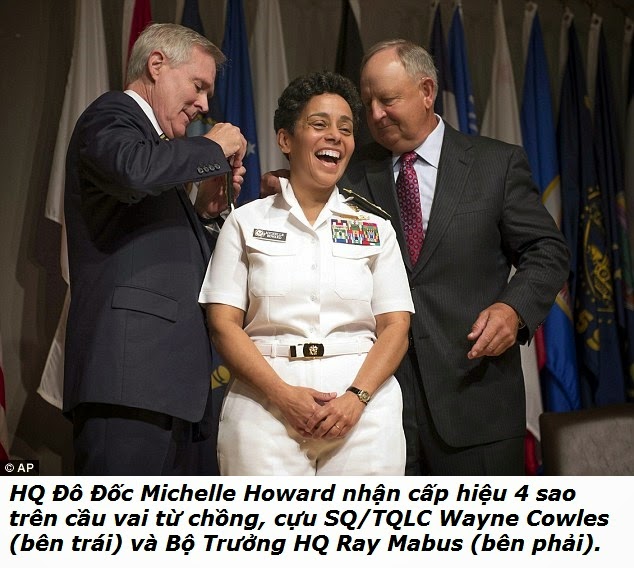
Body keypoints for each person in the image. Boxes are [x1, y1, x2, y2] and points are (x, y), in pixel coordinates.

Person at [263, 40, 570, 475]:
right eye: (368, 103)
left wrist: (513, 309)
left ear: (426, 91)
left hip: (476, 402)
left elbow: (547, 250)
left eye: (388, 100)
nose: (374, 115)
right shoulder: (350, 171)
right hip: (379, 414)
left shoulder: (495, 165)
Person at [199, 71, 414, 475]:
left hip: (363, 413)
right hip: (263, 409)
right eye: (319, 124)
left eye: (345, 129)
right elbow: (223, 324)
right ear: (285, 140)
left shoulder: (376, 227)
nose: (335, 136)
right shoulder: (245, 222)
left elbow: (396, 326)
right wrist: (283, 395)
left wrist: (355, 398)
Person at [63, 22, 247, 475]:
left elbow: (167, 258)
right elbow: (132, 171)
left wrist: (205, 213)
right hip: (128, 382)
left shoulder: (159, 154)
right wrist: (210, 147)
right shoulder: (112, 113)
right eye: (198, 86)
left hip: (171, 391)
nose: (204, 105)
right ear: (157, 64)